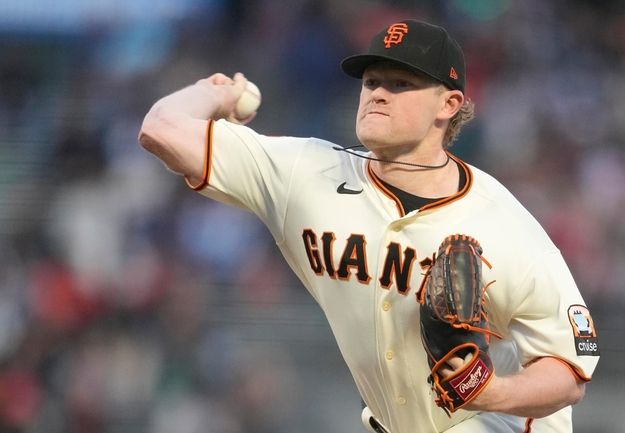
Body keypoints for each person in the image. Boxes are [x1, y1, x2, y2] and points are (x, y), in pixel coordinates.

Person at [138, 19, 600, 433]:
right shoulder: (308, 173)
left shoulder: (506, 227)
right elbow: (162, 129)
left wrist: (488, 391)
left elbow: (570, 369)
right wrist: (214, 91)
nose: (377, 93)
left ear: (449, 103)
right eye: (371, 81)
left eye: (400, 83)